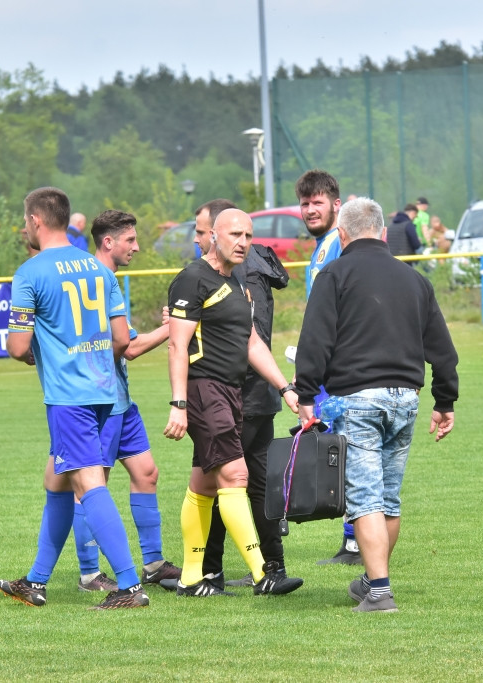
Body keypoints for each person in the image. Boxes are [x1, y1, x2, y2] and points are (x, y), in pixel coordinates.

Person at [295, 197, 459, 612]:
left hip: (358, 399)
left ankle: (381, 593)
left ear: (342, 234)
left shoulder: (333, 274)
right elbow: (442, 348)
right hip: (406, 399)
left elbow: (314, 340)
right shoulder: (415, 279)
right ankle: (371, 579)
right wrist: (445, 399)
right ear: (384, 233)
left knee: (365, 498)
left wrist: (306, 393)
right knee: (388, 499)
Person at [0, 187, 149, 610]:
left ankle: (130, 586)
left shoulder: (31, 272)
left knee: (88, 483)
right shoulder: (99, 269)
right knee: (56, 480)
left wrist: (37, 352)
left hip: (69, 397)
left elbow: (16, 346)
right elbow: (121, 338)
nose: (26, 227)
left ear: (37, 221)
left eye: (26, 220)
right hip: (104, 393)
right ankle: (36, 580)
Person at [163, 208, 303, 597]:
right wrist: (179, 403)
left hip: (232, 390)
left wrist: (284, 388)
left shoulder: (238, 281)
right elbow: (177, 345)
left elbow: (252, 342)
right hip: (204, 390)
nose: (243, 242)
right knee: (237, 477)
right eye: (235, 234)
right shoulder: (192, 279)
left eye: (249, 236)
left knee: (204, 484)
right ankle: (263, 574)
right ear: (213, 236)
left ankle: (191, 579)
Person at [70, 209, 181, 592]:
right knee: (92, 486)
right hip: (99, 404)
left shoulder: (105, 280)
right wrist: (172, 328)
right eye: (130, 240)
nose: (136, 246)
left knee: (146, 472)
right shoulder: (98, 280)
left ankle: (152, 563)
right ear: (108, 242)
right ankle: (89, 574)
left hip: (121, 401)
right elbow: (128, 348)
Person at [200, 240, 300, 590]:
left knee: (220, 482)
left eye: (201, 231)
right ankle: (273, 565)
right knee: (259, 484)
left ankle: (209, 571)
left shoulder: (235, 274)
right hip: (261, 395)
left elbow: (244, 338)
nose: (198, 241)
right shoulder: (255, 267)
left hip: (238, 395)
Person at [295, 169, 361, 566]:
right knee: (338, 448)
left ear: (337, 205)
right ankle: (353, 538)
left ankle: (355, 541)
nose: (309, 209)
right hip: (327, 367)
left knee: (347, 448)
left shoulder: (340, 242)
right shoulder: (322, 246)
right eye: (304, 203)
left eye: (317, 202)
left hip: (341, 369)